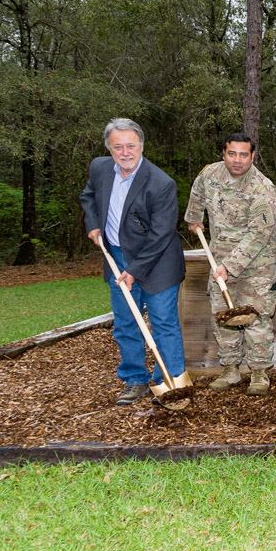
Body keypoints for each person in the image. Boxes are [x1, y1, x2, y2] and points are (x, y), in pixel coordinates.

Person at [80, 118, 186, 406]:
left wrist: (133, 271)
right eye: (118, 147)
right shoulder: (100, 168)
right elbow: (88, 196)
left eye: (131, 145)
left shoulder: (161, 183)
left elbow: (161, 234)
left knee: (163, 322)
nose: (125, 152)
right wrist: (93, 223)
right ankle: (135, 379)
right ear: (109, 148)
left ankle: (171, 382)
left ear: (141, 145)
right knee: (127, 322)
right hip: (116, 254)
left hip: (158, 261)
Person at [184, 132, 276, 396]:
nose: (237, 160)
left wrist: (229, 267)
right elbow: (197, 190)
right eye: (231, 154)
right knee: (223, 316)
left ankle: (259, 373)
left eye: (243, 155)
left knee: (256, 317)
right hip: (219, 258)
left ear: (252, 156)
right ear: (223, 153)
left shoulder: (264, 189)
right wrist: (194, 218)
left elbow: (258, 235)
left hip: (257, 265)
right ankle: (230, 369)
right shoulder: (211, 174)